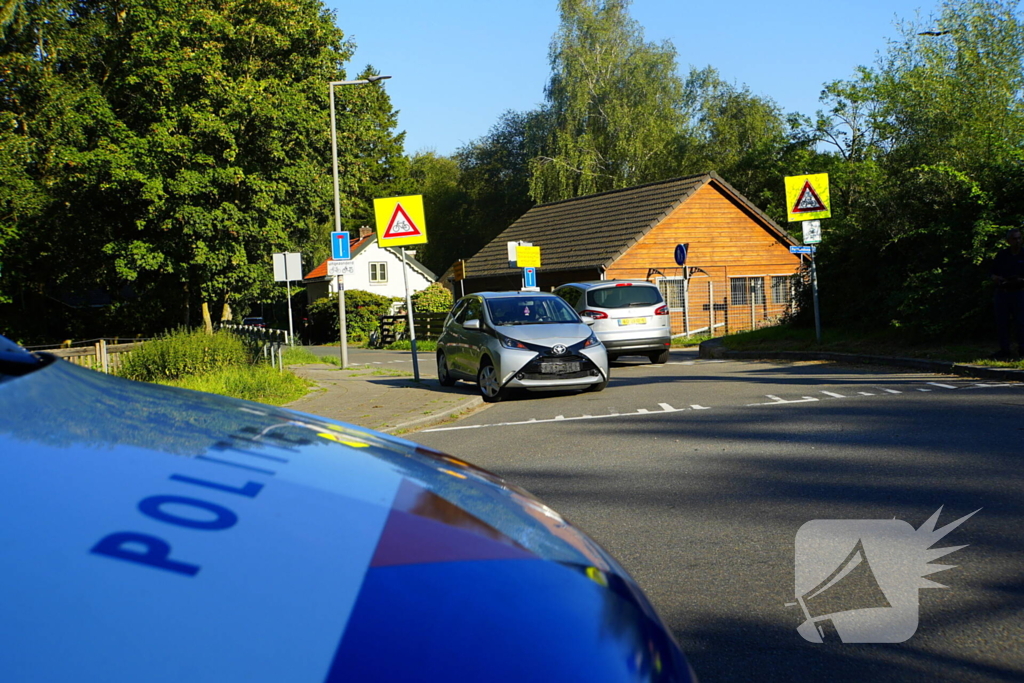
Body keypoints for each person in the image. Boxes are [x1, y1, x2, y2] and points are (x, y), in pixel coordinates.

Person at [990, 227, 1024, 359]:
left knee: (1021, 322)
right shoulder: (1002, 255)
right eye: (1014, 239)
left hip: (1019, 292)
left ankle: (1022, 349)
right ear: (1008, 241)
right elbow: (992, 273)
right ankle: (1004, 350)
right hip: (1003, 292)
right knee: (1002, 323)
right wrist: (997, 278)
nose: (1017, 241)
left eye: (1019, 238)